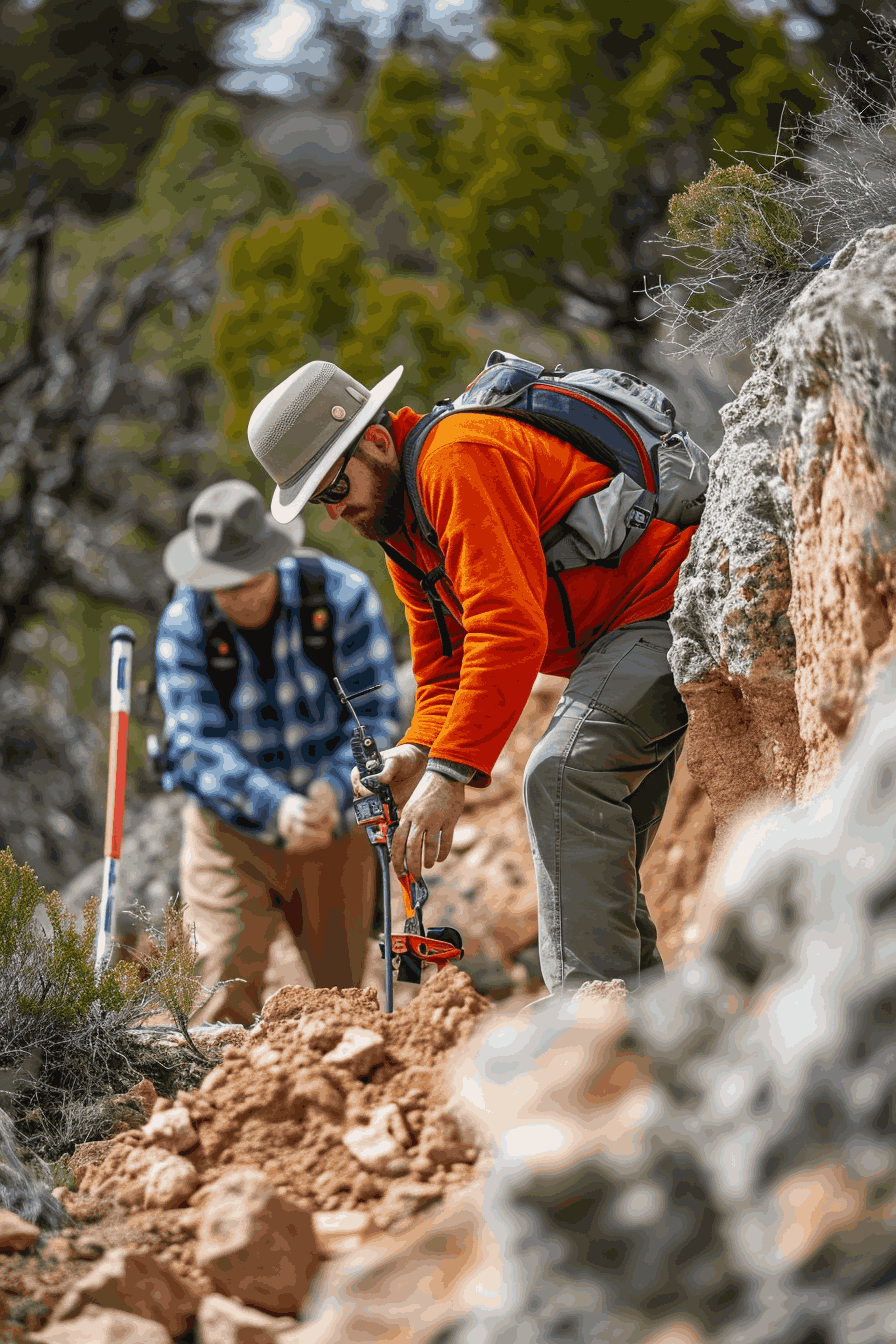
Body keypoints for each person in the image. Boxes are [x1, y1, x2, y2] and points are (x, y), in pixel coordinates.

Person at [245, 359, 695, 993]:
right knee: (593, 857)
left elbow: (508, 629)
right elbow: (441, 664)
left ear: (375, 441)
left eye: (333, 488)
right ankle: (644, 1028)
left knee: (563, 777)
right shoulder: (402, 525)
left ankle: (589, 1024)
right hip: (613, 641)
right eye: (320, 498)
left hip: (665, 599)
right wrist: (418, 748)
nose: (332, 512)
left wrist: (452, 772)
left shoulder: (458, 459)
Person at [155, 478, 400, 1023]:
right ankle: (212, 1097)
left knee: (340, 997)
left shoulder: (341, 596)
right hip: (231, 829)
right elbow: (196, 748)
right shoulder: (184, 625)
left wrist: (333, 791)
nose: (239, 594)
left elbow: (378, 717)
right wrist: (276, 807)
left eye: (248, 578)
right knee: (221, 978)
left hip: (332, 822)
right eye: (223, 584)